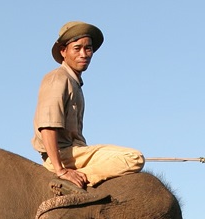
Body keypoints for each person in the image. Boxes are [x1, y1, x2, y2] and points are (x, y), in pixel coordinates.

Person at [32, 21, 144, 189]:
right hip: (63, 155)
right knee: (134, 158)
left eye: (88, 48)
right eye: (77, 48)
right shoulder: (58, 77)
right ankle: (79, 180)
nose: (84, 54)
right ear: (64, 51)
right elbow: (47, 126)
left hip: (76, 152)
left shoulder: (74, 82)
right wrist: (61, 170)